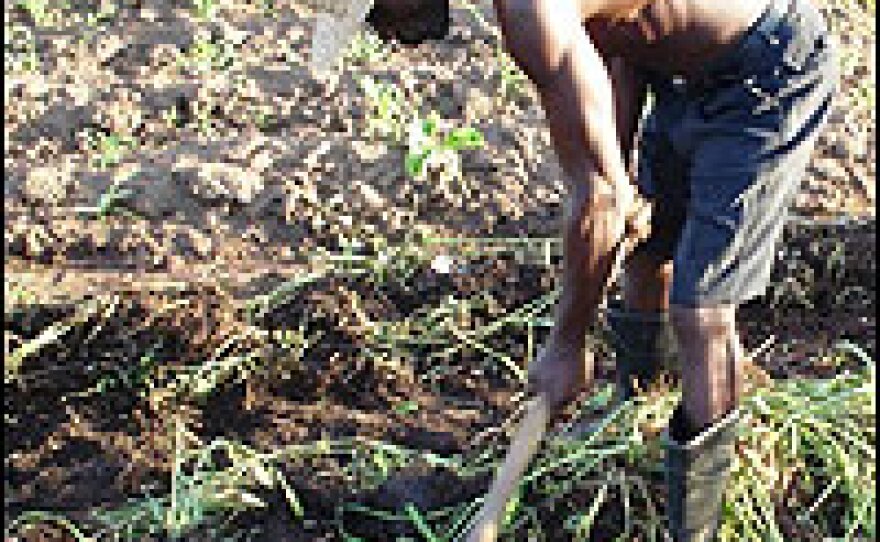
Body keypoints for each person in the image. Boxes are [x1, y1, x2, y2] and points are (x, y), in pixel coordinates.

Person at [341, 0, 838, 539]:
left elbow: (596, 198)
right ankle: (635, 420)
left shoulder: (532, 12)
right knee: (646, 262)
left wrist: (567, 344)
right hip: (674, 70)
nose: (379, 27)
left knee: (701, 313)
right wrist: (618, 178)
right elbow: (617, 45)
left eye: (374, 8)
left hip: (765, 73)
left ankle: (696, 530)